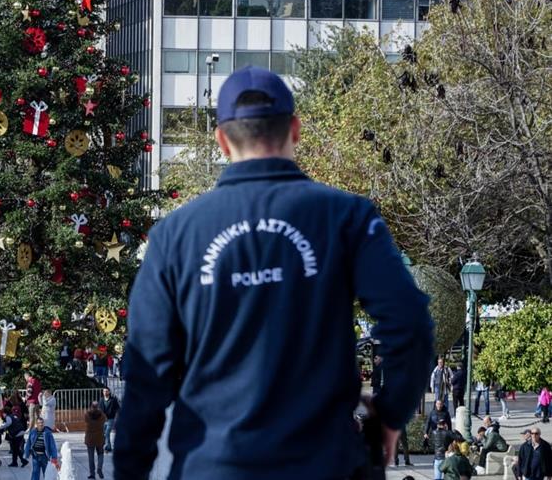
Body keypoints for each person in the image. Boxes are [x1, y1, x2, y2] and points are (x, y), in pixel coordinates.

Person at [114, 67, 435, 479]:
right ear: (295, 129)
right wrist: (390, 415)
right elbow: (409, 320)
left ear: (222, 141)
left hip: (212, 464)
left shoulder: (174, 236)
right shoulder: (346, 217)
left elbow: (146, 373)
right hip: (323, 463)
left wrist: (130, 470)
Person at [84, 401, 107, 479]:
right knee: (100, 454)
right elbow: (105, 419)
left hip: (90, 439)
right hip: (99, 438)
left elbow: (86, 420)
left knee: (91, 457)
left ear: (91, 406)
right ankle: (99, 468)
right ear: (98, 407)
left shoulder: (87, 414)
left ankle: (92, 474)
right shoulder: (102, 415)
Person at [100, 387, 120, 453]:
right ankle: (109, 446)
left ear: (109, 392)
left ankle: (107, 447)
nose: (105, 392)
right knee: (104, 433)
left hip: (111, 419)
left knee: (107, 432)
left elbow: (118, 408)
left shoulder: (113, 400)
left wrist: (117, 416)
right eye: (104, 391)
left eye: (106, 391)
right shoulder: (101, 400)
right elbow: (99, 409)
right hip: (103, 419)